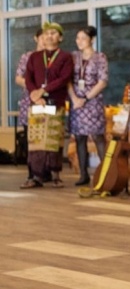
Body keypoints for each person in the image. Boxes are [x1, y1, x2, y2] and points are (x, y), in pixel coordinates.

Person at [22, 22, 74, 188]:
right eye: (46, 33)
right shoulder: (34, 57)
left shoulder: (66, 57)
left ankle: (55, 175)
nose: (49, 36)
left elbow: (64, 78)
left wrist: (43, 91)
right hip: (36, 103)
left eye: (53, 33)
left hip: (55, 102)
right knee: (35, 140)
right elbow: (28, 78)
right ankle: (35, 176)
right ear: (42, 37)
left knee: (53, 139)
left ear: (60, 37)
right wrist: (34, 94)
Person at [67, 26, 109, 186]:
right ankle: (83, 175)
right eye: (77, 38)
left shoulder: (100, 57)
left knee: (98, 136)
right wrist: (74, 98)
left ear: (91, 39)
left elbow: (103, 81)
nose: (79, 41)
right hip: (76, 101)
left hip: (93, 101)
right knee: (79, 137)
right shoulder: (73, 57)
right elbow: (67, 79)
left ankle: (106, 173)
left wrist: (85, 98)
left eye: (83, 38)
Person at [15, 28, 45, 179]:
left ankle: (46, 172)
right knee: (30, 137)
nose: (45, 40)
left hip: (47, 102)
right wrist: (33, 89)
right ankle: (32, 172)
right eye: (42, 37)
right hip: (29, 100)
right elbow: (19, 78)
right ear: (36, 38)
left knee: (46, 136)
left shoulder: (53, 57)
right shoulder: (27, 56)